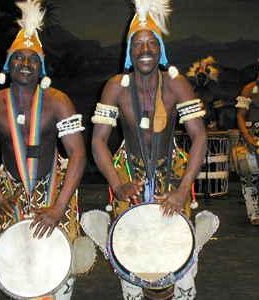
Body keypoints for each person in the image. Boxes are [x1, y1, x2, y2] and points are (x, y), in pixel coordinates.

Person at [0, 1, 87, 299]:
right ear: (8, 64)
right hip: (9, 191)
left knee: (59, 267)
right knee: (16, 272)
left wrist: (59, 207)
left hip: (54, 189)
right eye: (18, 58)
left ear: (42, 67)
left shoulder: (59, 101)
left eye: (33, 59)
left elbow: (78, 154)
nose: (25, 63)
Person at [90, 0, 207, 299]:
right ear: (129, 51)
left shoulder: (175, 84)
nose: (144, 50)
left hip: (172, 174)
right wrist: (118, 184)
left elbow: (199, 137)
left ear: (161, 50)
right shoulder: (116, 86)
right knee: (130, 259)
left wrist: (182, 190)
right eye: (137, 44)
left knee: (180, 263)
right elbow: (98, 140)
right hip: (129, 174)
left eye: (151, 43)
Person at [235, 62, 259, 225]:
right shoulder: (249, 89)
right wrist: (248, 136)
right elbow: (240, 116)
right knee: (249, 175)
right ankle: (254, 212)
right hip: (252, 136)